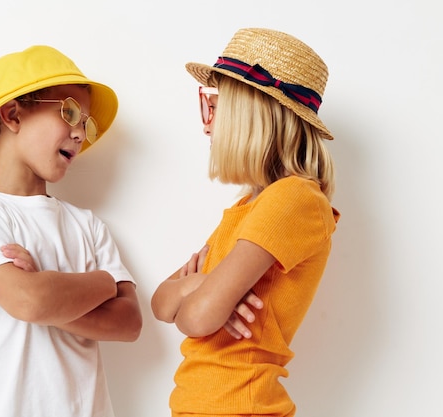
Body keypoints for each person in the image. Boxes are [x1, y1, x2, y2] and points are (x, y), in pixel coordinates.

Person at [151, 28, 341, 417]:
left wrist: (199, 294)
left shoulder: (294, 199)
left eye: (215, 105)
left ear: (251, 113)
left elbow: (195, 318)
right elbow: (160, 303)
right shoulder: (247, 208)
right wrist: (202, 285)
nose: (206, 123)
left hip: (241, 407)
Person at [0, 45, 142, 417]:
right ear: (13, 114)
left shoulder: (87, 225)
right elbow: (28, 301)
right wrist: (103, 283)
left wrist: (45, 288)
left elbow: (129, 322)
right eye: (69, 113)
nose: (81, 134)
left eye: (86, 123)